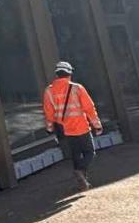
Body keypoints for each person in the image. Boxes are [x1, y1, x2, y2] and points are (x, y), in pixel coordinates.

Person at [42, 60, 102, 191]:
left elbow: (49, 112)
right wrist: (97, 125)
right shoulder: (77, 88)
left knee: (76, 155)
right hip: (81, 126)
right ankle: (80, 172)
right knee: (89, 152)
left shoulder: (49, 91)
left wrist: (49, 127)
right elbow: (89, 108)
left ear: (57, 74)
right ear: (70, 74)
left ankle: (82, 181)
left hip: (65, 129)